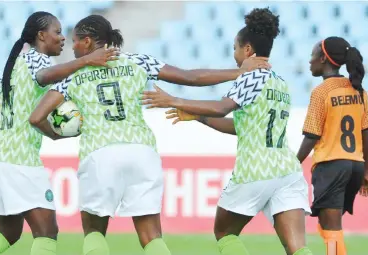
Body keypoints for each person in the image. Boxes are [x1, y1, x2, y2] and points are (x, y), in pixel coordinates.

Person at [29, 14, 269, 255]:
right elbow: (190, 77)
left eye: (76, 41)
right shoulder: (138, 61)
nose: (73, 47)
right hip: (142, 152)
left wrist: (57, 136)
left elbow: (36, 117)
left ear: (89, 42)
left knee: (94, 231)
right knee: (151, 236)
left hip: (100, 152)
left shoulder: (73, 74)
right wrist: (236, 72)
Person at [142, 8, 313, 255]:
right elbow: (242, 127)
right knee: (297, 247)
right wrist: (199, 117)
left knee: (224, 232)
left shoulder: (249, 77)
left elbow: (222, 108)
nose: (233, 54)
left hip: (256, 169)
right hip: (287, 170)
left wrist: (174, 100)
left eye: (235, 48)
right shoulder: (280, 82)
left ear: (247, 50)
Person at [0, 11, 119, 255]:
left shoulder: (13, 67)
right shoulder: (37, 60)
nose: (63, 38)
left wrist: (2, 144)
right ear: (41, 35)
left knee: (8, 233)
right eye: (58, 32)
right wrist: (86, 60)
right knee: (47, 233)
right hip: (19, 159)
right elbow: (43, 76)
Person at [296, 36, 368, 255]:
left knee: (331, 230)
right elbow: (367, 134)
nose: (309, 61)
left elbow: (311, 136)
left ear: (323, 59)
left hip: (331, 166)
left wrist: (293, 164)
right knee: (327, 226)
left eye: (312, 56)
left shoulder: (321, 92)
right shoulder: (358, 90)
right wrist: (366, 171)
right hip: (355, 166)